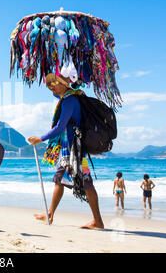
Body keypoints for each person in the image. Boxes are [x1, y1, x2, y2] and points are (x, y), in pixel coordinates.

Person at [28, 73, 104, 229]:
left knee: (71, 181)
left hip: (72, 149)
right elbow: (58, 98)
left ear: (63, 84)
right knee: (68, 181)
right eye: (49, 85)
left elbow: (60, 127)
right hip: (73, 148)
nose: (51, 87)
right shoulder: (69, 98)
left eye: (54, 83)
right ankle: (51, 215)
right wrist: (56, 87)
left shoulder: (69, 100)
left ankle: (96, 221)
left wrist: (40, 139)